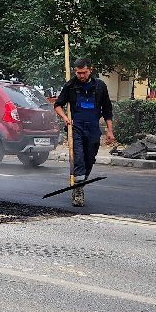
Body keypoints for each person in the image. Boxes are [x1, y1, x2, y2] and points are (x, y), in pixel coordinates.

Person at [54, 57, 115, 206]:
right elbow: (58, 105)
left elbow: (107, 110)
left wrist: (110, 132)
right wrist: (64, 118)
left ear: (90, 70)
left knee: (89, 160)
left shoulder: (100, 86)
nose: (81, 75)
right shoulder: (70, 86)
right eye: (78, 72)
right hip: (76, 129)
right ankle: (78, 191)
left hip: (93, 130)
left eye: (84, 72)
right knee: (79, 159)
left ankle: (80, 182)